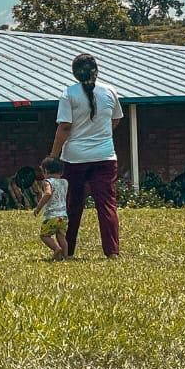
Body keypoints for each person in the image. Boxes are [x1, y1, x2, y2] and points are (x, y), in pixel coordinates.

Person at [50, 53, 124, 259]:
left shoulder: (68, 94)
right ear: (96, 71)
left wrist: (54, 156)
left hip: (75, 158)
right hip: (105, 157)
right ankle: (112, 251)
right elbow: (116, 118)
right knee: (107, 204)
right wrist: (102, 134)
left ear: (75, 74)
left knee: (73, 204)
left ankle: (68, 250)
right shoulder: (110, 91)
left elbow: (65, 127)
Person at [34, 157, 69, 260]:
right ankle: (65, 256)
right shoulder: (64, 182)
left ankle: (56, 248)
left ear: (45, 171)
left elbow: (48, 193)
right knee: (61, 236)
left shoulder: (47, 182)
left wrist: (38, 208)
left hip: (51, 216)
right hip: (63, 216)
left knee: (44, 235)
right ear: (61, 171)